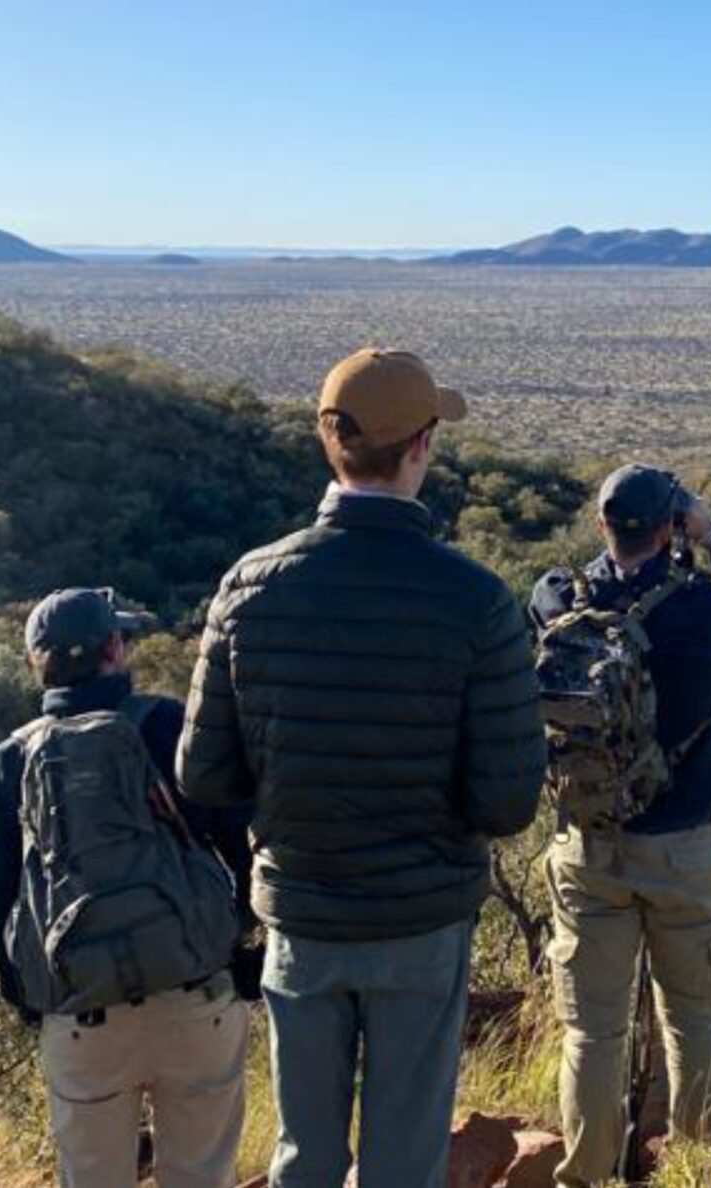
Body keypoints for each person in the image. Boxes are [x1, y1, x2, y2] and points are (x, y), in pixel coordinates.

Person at [177, 347, 546, 1188]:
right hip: (421, 919)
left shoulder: (250, 587)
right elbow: (507, 799)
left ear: (328, 444)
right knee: (404, 1158)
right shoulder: (476, 601)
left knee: (303, 1155)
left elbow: (205, 775)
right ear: (420, 448)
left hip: (302, 915)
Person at [529, 464, 711, 1187]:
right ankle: (701, 1175)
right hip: (684, 851)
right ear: (669, 526)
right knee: (694, 1023)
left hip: (588, 850)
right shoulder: (699, 610)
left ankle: (584, 1175)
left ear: (602, 524)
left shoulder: (555, 598)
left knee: (592, 1032)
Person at [0, 587, 256, 1188]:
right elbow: (239, 839)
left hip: (79, 1009)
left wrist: (31, 996)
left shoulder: (8, 762)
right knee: (202, 1175)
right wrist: (237, 945)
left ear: (36, 662)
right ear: (114, 649)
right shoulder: (168, 726)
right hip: (194, 992)